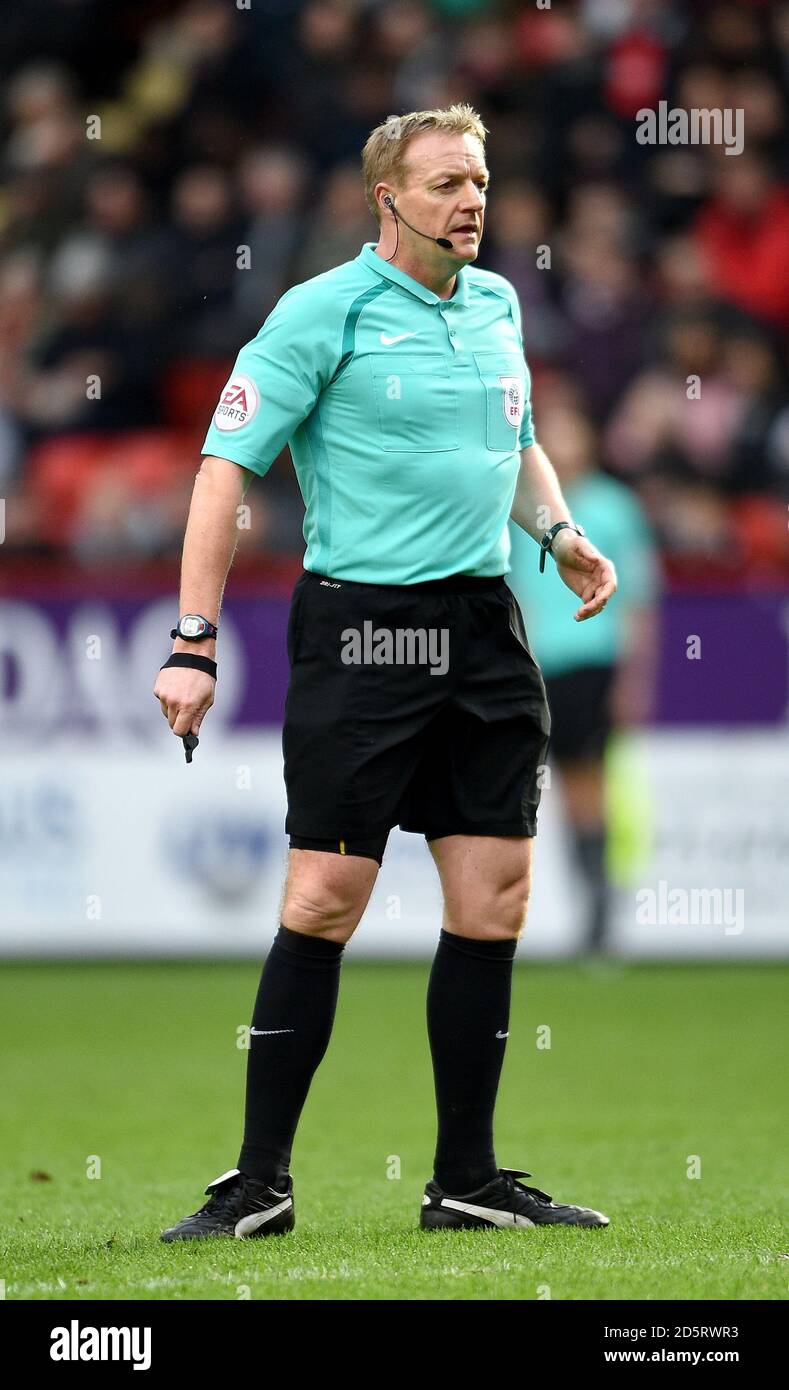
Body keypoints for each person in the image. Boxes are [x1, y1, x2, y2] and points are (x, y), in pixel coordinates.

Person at [153, 104, 616, 1241]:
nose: (472, 201)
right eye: (450, 182)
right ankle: (257, 1181)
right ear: (388, 198)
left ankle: (465, 1177)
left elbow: (513, 446)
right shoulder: (321, 313)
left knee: (495, 896)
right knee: (324, 897)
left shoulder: (500, 304)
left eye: (482, 182)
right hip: (363, 630)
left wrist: (556, 533)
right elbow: (225, 468)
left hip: (483, 627)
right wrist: (192, 638)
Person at [507, 406, 659, 954]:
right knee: (512, 789)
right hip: (528, 668)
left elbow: (640, 602)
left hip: (591, 666)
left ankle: (598, 914)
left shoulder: (613, 507)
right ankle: (504, 914)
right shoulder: (525, 508)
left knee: (585, 787)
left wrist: (633, 680)